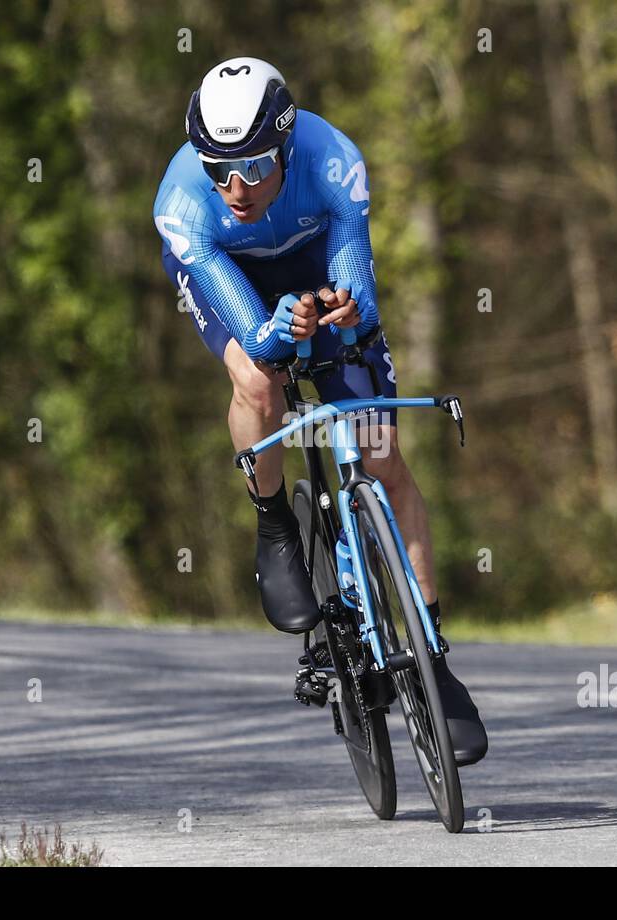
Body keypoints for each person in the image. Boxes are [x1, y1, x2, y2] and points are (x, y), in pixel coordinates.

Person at [153, 57, 486, 765]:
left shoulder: (333, 161)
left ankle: (433, 658)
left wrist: (345, 309)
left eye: (251, 166)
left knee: (381, 459)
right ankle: (273, 524)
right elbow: (257, 335)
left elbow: (355, 280)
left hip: (315, 267)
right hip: (231, 278)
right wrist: (274, 335)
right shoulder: (183, 203)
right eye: (217, 169)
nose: (234, 188)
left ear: (287, 145)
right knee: (258, 381)